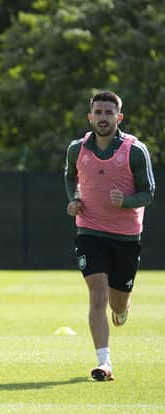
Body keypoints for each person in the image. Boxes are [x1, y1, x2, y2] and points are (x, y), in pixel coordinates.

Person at [64, 90, 155, 381]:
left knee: (117, 304)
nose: (103, 118)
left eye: (108, 112)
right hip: (89, 230)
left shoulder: (134, 150)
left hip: (126, 237)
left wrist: (125, 201)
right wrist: (74, 199)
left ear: (119, 117)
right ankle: (105, 363)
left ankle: (123, 309)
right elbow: (70, 177)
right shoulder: (77, 148)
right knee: (97, 295)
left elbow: (148, 192)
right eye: (98, 112)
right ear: (90, 116)